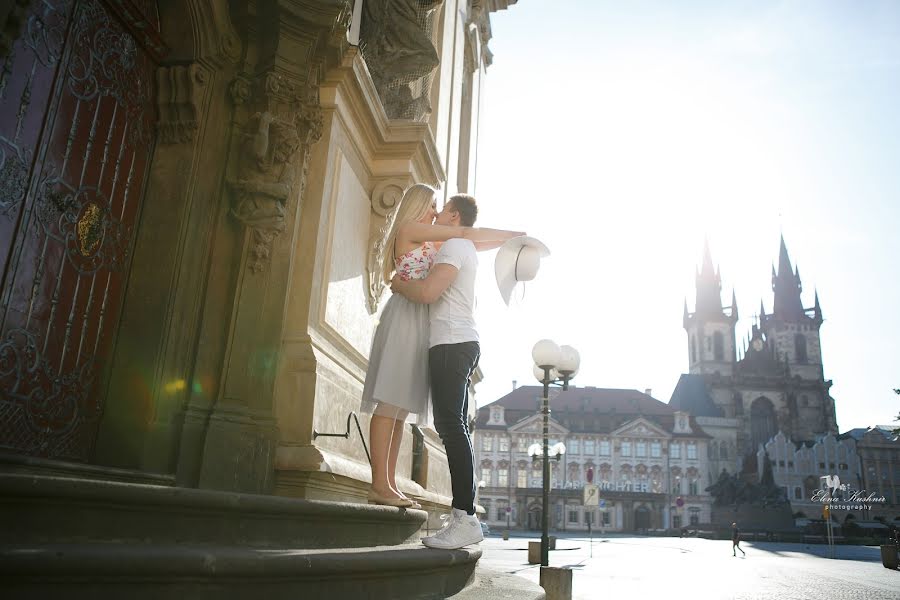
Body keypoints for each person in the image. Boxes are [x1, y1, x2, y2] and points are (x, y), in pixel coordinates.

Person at [362, 185, 523, 509]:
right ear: (417, 203)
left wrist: (510, 243)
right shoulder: (409, 229)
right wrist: (514, 234)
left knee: (400, 408)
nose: (435, 212)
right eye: (432, 204)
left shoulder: (430, 239)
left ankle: (389, 483)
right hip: (407, 315)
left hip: (421, 320)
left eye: (438, 205)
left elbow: (469, 239)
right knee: (389, 402)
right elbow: (464, 231)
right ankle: (379, 483)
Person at [390, 193, 496, 549]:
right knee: (455, 427)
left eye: (441, 210)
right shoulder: (462, 245)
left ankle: (464, 517)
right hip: (457, 342)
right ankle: (465, 516)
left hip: (452, 343)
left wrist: (399, 284)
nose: (433, 217)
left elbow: (428, 292)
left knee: (451, 428)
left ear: (453, 216)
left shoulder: (454, 246)